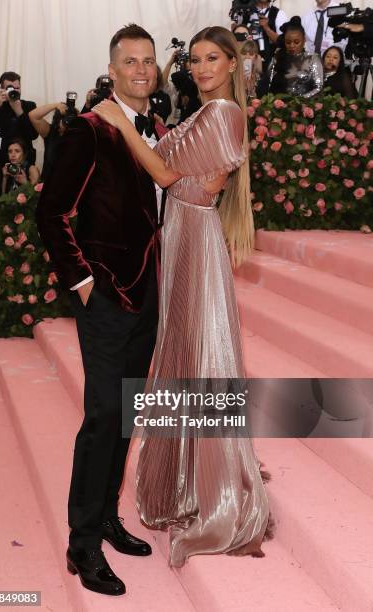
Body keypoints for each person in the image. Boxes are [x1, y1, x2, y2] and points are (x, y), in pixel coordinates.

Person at [93, 25, 271, 568]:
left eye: (212, 58)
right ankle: (189, 482)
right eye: (193, 59)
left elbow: (175, 180)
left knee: (202, 359)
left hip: (195, 244)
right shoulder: (198, 114)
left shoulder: (224, 116)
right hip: (178, 243)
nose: (199, 68)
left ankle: (215, 488)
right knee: (183, 363)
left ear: (233, 64)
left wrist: (120, 121)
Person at [36, 24, 168, 596]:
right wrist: (85, 283)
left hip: (149, 295)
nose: (141, 70)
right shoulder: (89, 130)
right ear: (112, 71)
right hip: (109, 298)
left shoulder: (157, 129)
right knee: (102, 420)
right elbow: (52, 212)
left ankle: (108, 517)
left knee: (128, 415)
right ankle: (82, 542)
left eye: (148, 61)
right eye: (130, 62)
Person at [0, 71, 38, 165]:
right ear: (1, 89)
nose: (14, 91)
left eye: (17, 88)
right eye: (10, 88)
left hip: (21, 160)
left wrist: (19, 112)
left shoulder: (29, 106)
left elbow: (33, 135)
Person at [258, 16, 323, 98]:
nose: (292, 46)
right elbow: (267, 83)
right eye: (288, 42)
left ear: (304, 40)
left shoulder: (312, 59)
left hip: (305, 105)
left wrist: (299, 100)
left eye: (296, 42)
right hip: (279, 104)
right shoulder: (278, 57)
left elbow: (318, 87)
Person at [29, 101, 78, 182]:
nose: (67, 121)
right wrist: (55, 105)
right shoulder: (51, 132)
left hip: (69, 184)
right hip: (48, 183)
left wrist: (76, 113)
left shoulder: (78, 136)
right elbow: (33, 115)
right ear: (58, 119)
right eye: (63, 117)